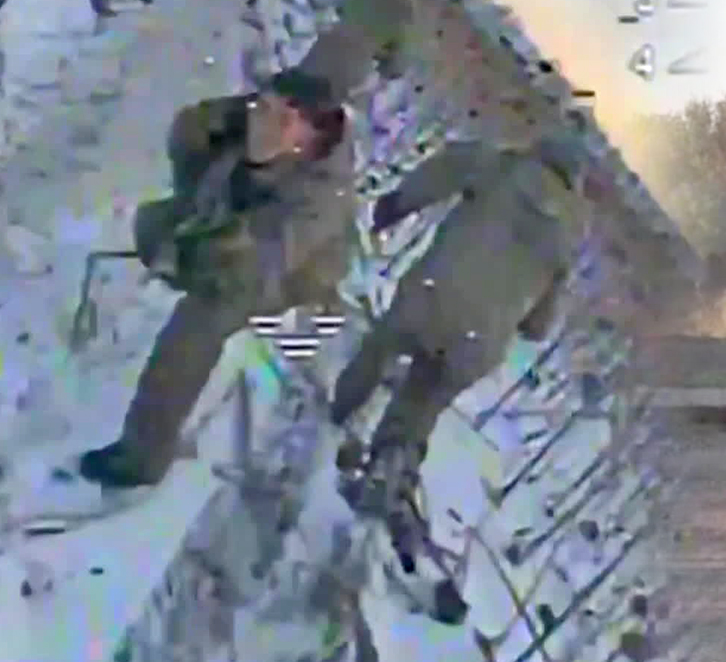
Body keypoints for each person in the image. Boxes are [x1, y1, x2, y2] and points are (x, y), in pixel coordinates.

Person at [78, 68, 358, 488]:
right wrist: (220, 122)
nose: (263, 124)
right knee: (155, 225)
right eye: (261, 108)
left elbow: (261, 260)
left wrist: (204, 250)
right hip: (238, 225)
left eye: (282, 121)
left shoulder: (322, 198)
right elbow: (186, 137)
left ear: (309, 140)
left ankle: (142, 457)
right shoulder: (247, 128)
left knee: (199, 321)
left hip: (292, 274)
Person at [329, 130, 591, 476]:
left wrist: (393, 207)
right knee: (421, 404)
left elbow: (441, 172)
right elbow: (538, 327)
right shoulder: (569, 236)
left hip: (430, 298)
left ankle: (334, 416)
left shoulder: (500, 165)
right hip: (479, 343)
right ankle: (390, 467)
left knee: (379, 349)